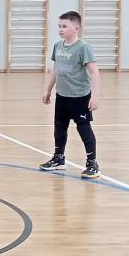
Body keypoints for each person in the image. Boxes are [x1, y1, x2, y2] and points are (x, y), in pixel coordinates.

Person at [39, 10, 101, 179]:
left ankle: (92, 163)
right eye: (59, 26)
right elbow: (56, 69)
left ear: (76, 28)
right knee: (59, 128)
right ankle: (59, 158)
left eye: (65, 26)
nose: (61, 29)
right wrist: (48, 89)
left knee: (84, 129)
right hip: (62, 96)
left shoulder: (83, 47)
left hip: (79, 97)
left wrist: (95, 96)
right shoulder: (58, 46)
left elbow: (94, 72)